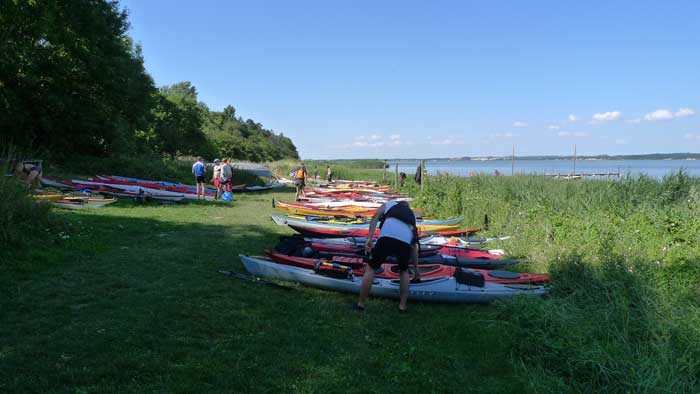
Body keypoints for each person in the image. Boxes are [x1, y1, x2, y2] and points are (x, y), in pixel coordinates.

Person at [356, 200, 420, 312]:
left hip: (387, 237)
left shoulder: (390, 204)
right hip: (404, 242)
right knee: (404, 271)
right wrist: (416, 270)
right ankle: (402, 306)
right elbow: (414, 246)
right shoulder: (412, 216)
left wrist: (369, 239)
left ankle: (361, 304)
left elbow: (375, 216)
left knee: (371, 268)